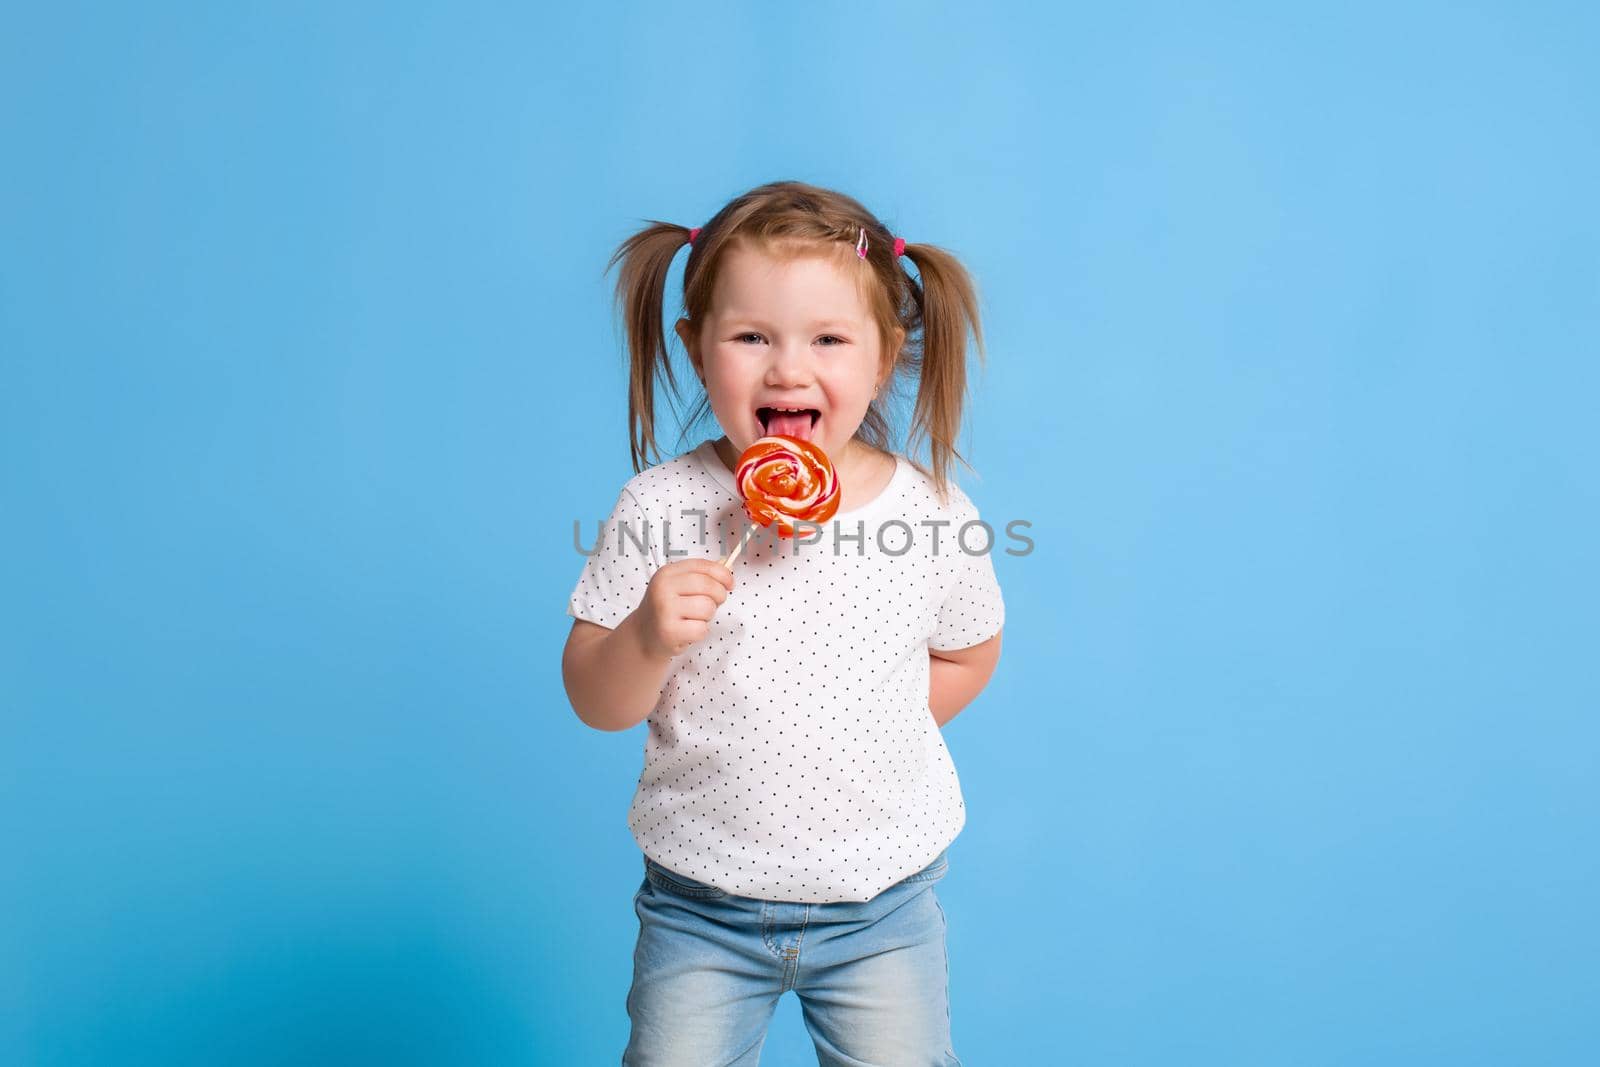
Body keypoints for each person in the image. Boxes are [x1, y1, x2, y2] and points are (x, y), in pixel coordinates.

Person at [562, 179, 1004, 1066]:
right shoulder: (661, 507)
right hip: (701, 907)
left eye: (829, 340)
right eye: (752, 336)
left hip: (883, 907)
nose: (788, 369)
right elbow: (593, 697)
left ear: (883, 358)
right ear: (695, 349)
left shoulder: (931, 514)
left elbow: (971, 648)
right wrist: (645, 637)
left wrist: (875, 727)